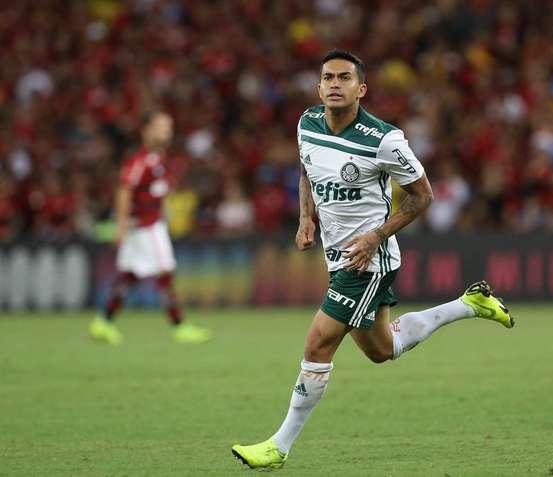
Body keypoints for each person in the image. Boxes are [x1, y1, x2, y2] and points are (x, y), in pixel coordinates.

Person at [231, 50, 515, 470]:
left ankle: (279, 445)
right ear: (318, 86)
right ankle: (469, 304)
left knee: (318, 342)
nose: (334, 84)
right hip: (336, 257)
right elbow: (307, 169)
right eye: (327, 77)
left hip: (369, 261)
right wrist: (305, 216)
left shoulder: (384, 139)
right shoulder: (306, 125)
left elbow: (423, 195)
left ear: (361, 89)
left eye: (344, 78)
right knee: (382, 350)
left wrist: (377, 235)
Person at [89, 112, 210, 345]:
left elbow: (153, 191)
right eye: (161, 127)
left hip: (146, 224)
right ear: (146, 130)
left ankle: (102, 322)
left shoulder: (158, 158)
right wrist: (121, 225)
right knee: (164, 270)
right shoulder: (140, 160)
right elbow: (124, 190)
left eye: (169, 127)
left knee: (130, 274)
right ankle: (179, 326)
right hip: (146, 226)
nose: (167, 132)